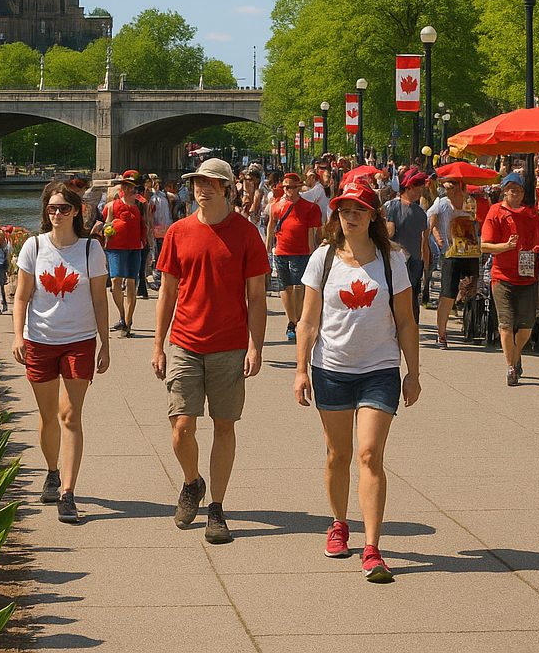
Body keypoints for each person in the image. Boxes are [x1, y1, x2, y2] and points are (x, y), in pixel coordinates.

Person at [292, 180, 420, 583]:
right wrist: (300, 370)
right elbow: (308, 321)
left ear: (372, 216)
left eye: (359, 210)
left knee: (368, 454)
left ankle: (372, 547)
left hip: (379, 370)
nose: (351, 216)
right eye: (345, 209)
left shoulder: (390, 261)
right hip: (331, 368)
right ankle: (338, 523)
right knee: (337, 455)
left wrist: (413, 373)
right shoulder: (322, 259)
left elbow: (405, 322)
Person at [152, 157, 269, 545]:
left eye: (211, 183)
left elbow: (256, 296)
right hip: (185, 341)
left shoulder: (247, 234)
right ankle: (192, 481)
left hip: (229, 345)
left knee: (224, 425)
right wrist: (158, 344)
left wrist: (256, 344)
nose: (201, 189)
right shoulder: (178, 232)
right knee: (181, 427)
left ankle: (217, 508)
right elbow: (167, 291)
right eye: (198, 182)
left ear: (227, 189)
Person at [12, 179, 112, 523]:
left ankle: (68, 492)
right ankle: (52, 471)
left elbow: (100, 299)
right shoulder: (33, 247)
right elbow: (21, 296)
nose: (57, 214)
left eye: (64, 208)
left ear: (76, 212)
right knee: (47, 416)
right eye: (52, 208)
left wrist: (105, 344)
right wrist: (17, 336)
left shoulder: (90, 250)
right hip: (40, 340)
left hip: (79, 341)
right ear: (45, 211)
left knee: (70, 416)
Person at [480, 173, 539, 386]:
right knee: (506, 324)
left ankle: (515, 356)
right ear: (504, 191)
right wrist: (505, 246)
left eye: (518, 189)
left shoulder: (531, 214)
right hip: (502, 277)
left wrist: (534, 249)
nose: (514, 192)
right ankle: (511, 367)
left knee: (526, 326)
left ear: (523, 193)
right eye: (511, 188)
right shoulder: (495, 212)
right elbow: (485, 245)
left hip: (526, 277)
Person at [269, 172, 323, 344]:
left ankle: (299, 319)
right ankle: (292, 321)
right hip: (281, 252)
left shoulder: (310, 208)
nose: (288, 190)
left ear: (298, 188)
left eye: (291, 187)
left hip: (302, 253)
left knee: (299, 286)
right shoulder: (276, 205)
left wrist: (313, 253)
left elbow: (313, 233)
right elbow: (271, 227)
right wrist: (267, 249)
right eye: (285, 187)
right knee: (285, 287)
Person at [429, 176, 479, 348]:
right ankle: (441, 333)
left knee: (471, 287)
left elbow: (476, 223)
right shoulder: (441, 203)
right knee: (447, 294)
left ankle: (470, 325)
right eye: (446, 187)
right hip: (450, 253)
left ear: (460, 186)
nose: (447, 190)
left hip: (470, 251)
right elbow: (431, 222)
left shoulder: (470, 202)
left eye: (451, 187)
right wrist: (437, 238)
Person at [98, 171, 149, 335]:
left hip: (135, 247)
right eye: (126, 185)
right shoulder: (111, 205)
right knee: (115, 281)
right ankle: (121, 315)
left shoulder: (141, 204)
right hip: (115, 248)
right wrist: (108, 229)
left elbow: (146, 223)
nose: (129, 189)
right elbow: (106, 224)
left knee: (132, 284)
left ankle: (128, 321)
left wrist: (149, 243)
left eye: (132, 186)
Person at [384, 170, 430, 315]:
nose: (420, 193)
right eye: (418, 189)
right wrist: (426, 265)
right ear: (409, 187)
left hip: (400, 261)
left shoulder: (391, 206)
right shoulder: (420, 213)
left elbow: (389, 233)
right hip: (410, 262)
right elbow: (425, 242)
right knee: (410, 300)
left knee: (394, 298)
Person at [146, 174, 174, 287]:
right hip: (156, 228)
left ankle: (160, 273)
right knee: (157, 252)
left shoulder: (164, 196)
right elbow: (150, 213)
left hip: (165, 227)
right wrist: (152, 226)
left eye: (158, 184)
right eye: (155, 184)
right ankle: (157, 273)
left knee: (163, 251)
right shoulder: (152, 198)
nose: (157, 186)